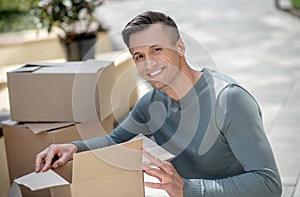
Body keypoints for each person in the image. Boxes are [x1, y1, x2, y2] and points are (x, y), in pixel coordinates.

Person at [35, 11, 282, 197]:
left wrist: (188, 188)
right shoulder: (151, 104)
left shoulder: (229, 99)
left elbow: (269, 184)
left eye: (157, 50)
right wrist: (73, 148)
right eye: (139, 56)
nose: (149, 64)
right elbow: (115, 141)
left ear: (180, 47)